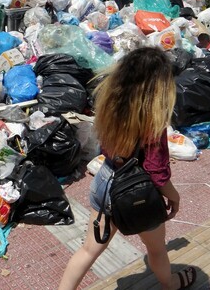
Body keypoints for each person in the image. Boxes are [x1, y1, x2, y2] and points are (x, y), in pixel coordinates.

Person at [58, 47, 196, 290]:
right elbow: (156, 172)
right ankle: (172, 283)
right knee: (156, 250)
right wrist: (174, 197)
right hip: (138, 192)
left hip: (106, 181)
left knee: (89, 249)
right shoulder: (153, 121)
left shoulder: (109, 104)